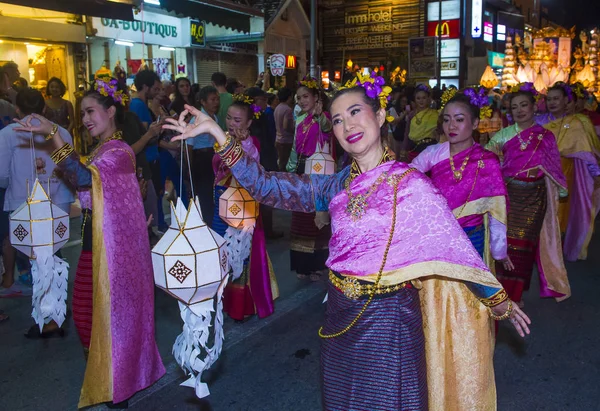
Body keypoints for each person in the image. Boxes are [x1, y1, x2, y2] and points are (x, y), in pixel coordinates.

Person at [164, 72, 531, 411]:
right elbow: (266, 186)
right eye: (337, 120)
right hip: (339, 315)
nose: (346, 125)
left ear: (380, 114)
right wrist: (217, 134)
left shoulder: (410, 184)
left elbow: (453, 248)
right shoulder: (339, 183)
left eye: (355, 112)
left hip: (389, 325)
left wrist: (497, 300)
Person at [15, 78, 165, 408]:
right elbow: (84, 179)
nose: (85, 119)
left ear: (111, 112)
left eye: (91, 111)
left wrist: (52, 133)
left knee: (103, 319)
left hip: (109, 251)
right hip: (92, 243)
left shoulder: (120, 151)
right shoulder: (101, 150)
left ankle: (116, 385)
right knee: (87, 318)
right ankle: (109, 379)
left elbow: (83, 177)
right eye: (82, 113)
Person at [486, 83, 570, 304]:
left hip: (536, 197)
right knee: (506, 243)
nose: (520, 110)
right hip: (510, 195)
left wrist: (561, 188)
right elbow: (487, 162)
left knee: (524, 246)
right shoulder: (502, 135)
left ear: (534, 107)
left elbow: (554, 165)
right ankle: (503, 292)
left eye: (524, 105)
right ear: (510, 111)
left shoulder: (546, 136)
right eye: (515, 107)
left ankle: (516, 294)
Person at [411, 90, 511, 275]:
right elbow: (408, 176)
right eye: (447, 119)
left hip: (472, 236)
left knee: (470, 293)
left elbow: (496, 208)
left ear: (474, 123)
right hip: (439, 234)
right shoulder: (433, 153)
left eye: (459, 119)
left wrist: (499, 249)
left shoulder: (487, 160)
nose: (451, 126)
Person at [0, 89, 74, 305]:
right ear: (44, 108)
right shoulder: (60, 131)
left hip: (24, 201)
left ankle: (50, 311)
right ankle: (54, 305)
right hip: (58, 197)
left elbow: (2, 174)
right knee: (52, 252)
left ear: (17, 109)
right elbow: (69, 166)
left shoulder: (8, 133)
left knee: (36, 257)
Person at [212, 96, 278, 320]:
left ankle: (239, 305)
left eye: (238, 120)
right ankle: (219, 300)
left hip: (242, 202)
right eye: (229, 117)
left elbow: (251, 170)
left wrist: (241, 145)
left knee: (240, 252)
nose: (231, 123)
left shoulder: (252, 144)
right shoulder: (223, 139)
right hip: (221, 197)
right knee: (220, 249)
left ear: (249, 123)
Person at [541, 82, 600, 261]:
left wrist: (596, 174)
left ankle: (554, 251)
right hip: (540, 175)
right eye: (549, 99)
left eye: (556, 99)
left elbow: (586, 153)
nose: (552, 102)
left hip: (565, 173)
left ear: (566, 100)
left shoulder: (575, 123)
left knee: (560, 213)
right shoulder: (539, 121)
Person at [286, 77, 334, 281]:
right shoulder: (299, 119)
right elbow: (294, 149)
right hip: (302, 172)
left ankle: (317, 264)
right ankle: (302, 267)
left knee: (319, 217)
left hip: (320, 174)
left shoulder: (324, 118)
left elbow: (327, 128)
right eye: (299, 98)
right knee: (302, 218)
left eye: (306, 96)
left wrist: (319, 115)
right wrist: (289, 170)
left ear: (316, 97)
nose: (302, 101)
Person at [129, 70, 165, 231]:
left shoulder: (141, 105)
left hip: (150, 158)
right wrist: (157, 131)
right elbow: (143, 137)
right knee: (150, 202)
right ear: (145, 87)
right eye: (155, 89)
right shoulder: (138, 106)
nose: (157, 93)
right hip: (147, 160)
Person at [187, 85, 220, 227]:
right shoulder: (196, 120)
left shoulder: (214, 117)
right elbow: (188, 145)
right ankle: (206, 224)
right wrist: (189, 167)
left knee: (213, 192)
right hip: (201, 158)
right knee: (204, 194)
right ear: (203, 102)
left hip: (212, 156)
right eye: (212, 99)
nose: (216, 102)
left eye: (217, 99)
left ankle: (213, 222)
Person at [400, 84, 439, 161]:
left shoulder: (435, 114)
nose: (421, 101)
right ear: (415, 100)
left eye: (424, 98)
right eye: (418, 98)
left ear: (428, 99)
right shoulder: (412, 114)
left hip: (429, 149)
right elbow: (407, 133)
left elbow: (439, 132)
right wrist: (404, 148)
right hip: (413, 149)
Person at [274, 87, 295, 170]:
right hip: (286, 140)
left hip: (278, 139)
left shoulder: (277, 107)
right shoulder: (288, 109)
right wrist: (294, 130)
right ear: (289, 97)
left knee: (281, 162)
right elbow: (286, 126)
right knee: (285, 164)